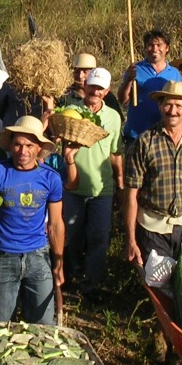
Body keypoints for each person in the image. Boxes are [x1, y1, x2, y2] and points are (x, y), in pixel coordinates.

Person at [0, 116, 65, 324]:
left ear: (39, 148)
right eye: (18, 144)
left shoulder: (51, 178)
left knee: (44, 324)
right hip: (3, 256)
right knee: (3, 324)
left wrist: (59, 262)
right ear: (11, 145)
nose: (23, 151)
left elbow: (55, 224)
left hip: (38, 256)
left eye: (29, 145)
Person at [125, 80, 182, 273]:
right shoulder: (145, 142)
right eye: (168, 104)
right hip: (153, 227)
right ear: (159, 105)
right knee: (160, 282)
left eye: (178, 106)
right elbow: (131, 194)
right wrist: (131, 239)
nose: (172, 111)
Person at [61, 67, 124, 300]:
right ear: (85, 86)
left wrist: (119, 183)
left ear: (106, 91)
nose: (95, 92)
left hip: (101, 188)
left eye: (100, 88)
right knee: (72, 235)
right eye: (92, 87)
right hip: (73, 186)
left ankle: (92, 284)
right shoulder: (71, 112)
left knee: (98, 237)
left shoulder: (113, 118)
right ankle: (71, 274)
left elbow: (116, 152)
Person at [118, 29, 182, 142]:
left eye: (159, 45)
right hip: (136, 134)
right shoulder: (135, 69)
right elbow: (123, 100)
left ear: (167, 48)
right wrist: (128, 79)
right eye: (150, 45)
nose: (154, 49)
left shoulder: (175, 73)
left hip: (163, 135)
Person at [60, 53, 124, 118]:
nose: (80, 76)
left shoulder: (108, 98)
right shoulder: (63, 95)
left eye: (85, 72)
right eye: (77, 71)